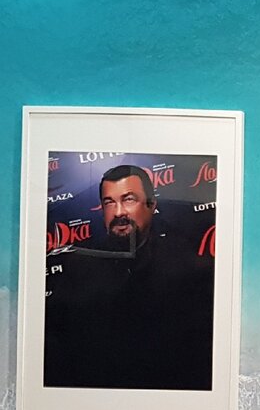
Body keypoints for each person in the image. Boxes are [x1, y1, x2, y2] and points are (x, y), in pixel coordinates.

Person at [43, 164, 214, 390]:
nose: (119, 212)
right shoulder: (78, 268)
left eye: (129, 200)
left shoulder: (187, 267)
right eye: (109, 202)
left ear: (151, 204)